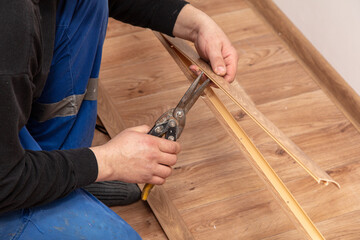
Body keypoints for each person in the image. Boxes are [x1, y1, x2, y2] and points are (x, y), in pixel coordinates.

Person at [0, 0, 238, 239]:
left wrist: (196, 24)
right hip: (5, 183)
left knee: (89, 3)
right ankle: (48, 180)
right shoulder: (10, 24)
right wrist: (108, 162)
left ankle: (59, 172)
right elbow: (4, 181)